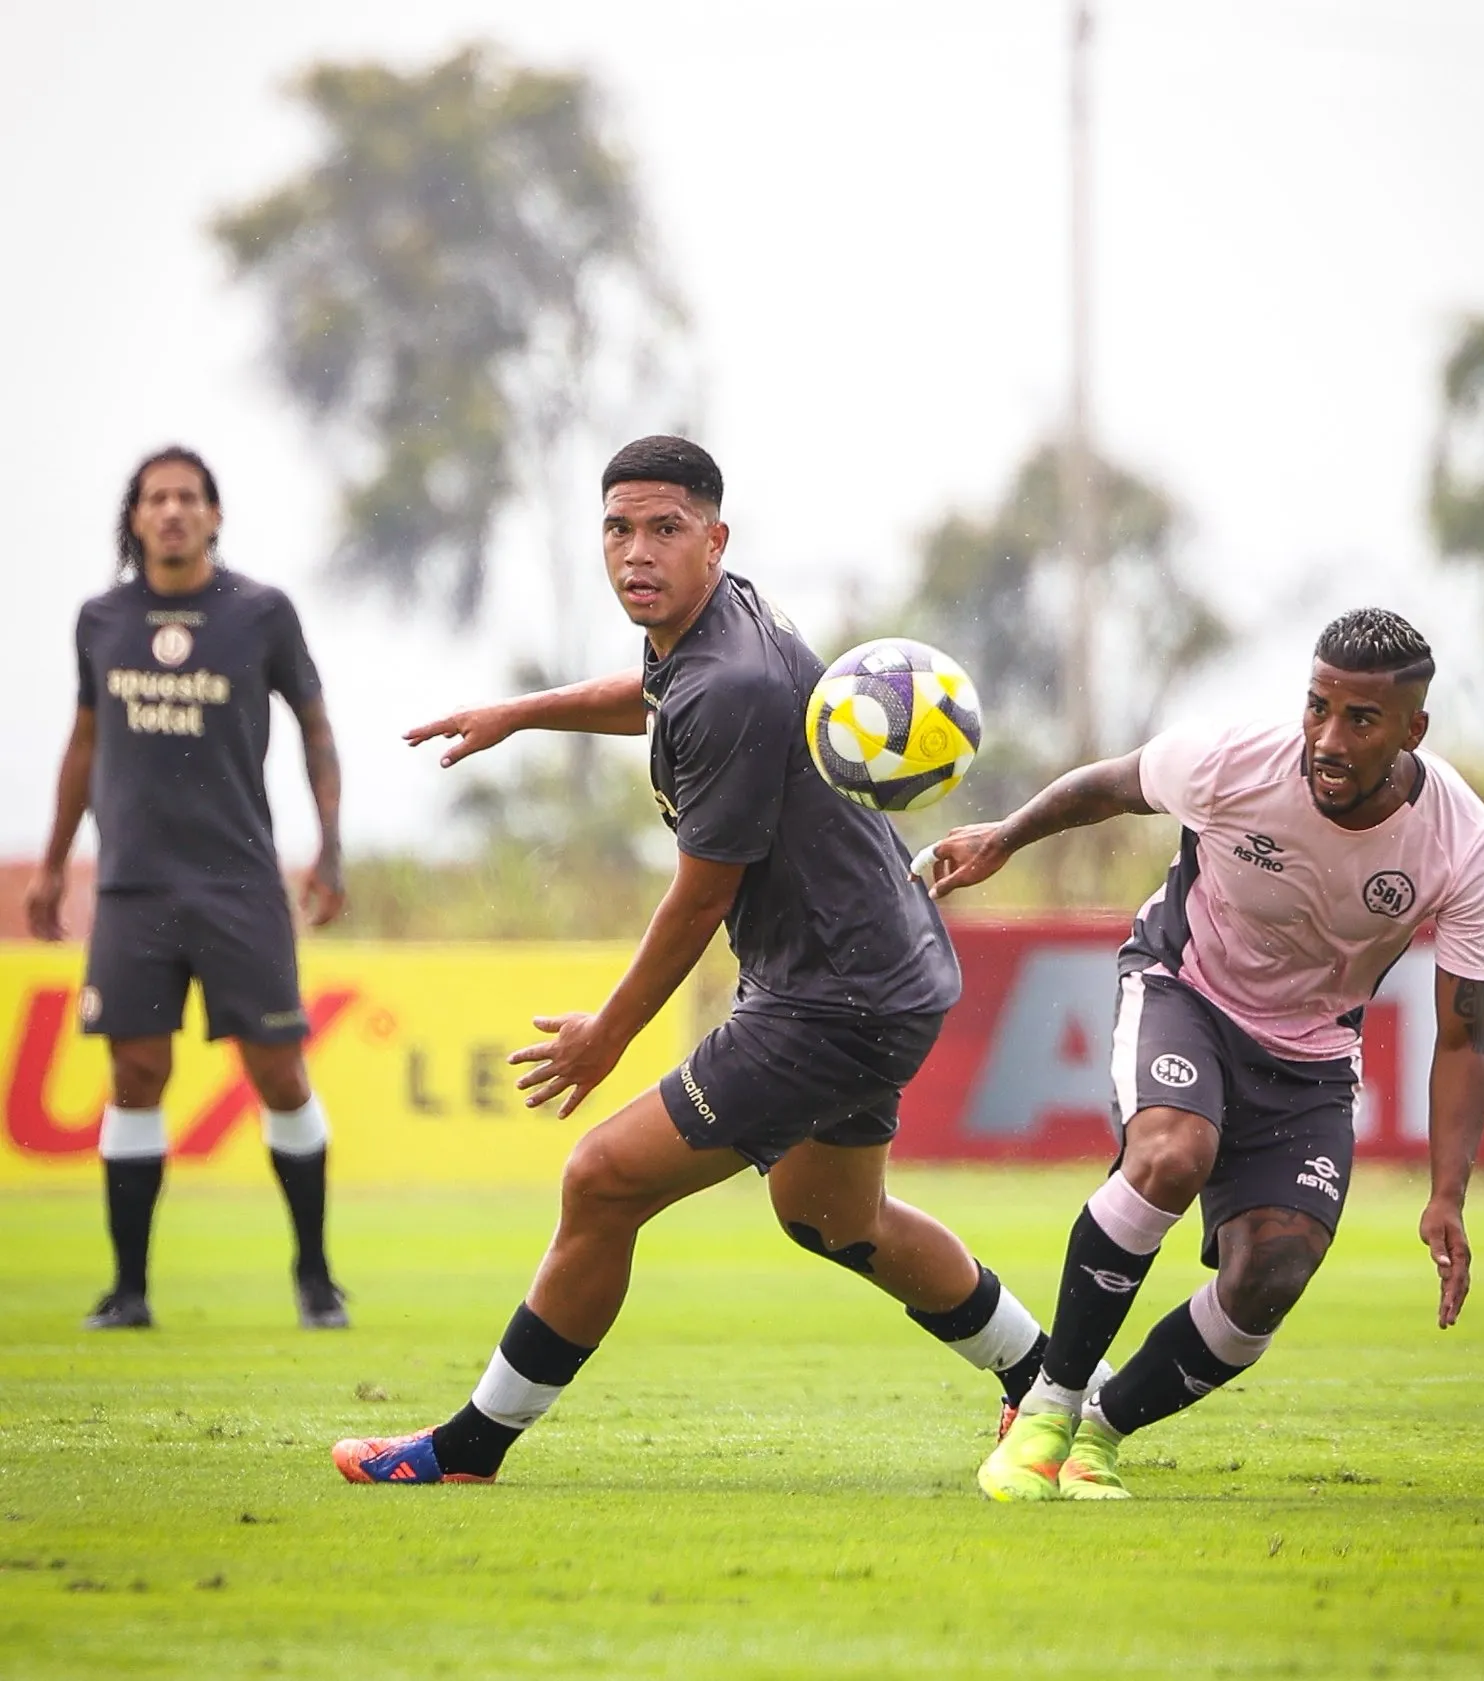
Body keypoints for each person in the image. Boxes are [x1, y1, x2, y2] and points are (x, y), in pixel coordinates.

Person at [333, 434, 1045, 1485]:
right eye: (618, 528)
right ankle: (1053, 1380)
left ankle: (467, 1449)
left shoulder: (736, 682)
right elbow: (658, 694)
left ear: (714, 538)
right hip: (882, 975)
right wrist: (522, 713)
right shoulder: (718, 624)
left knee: (603, 1178)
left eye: (664, 529)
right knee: (834, 1216)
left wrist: (606, 1035)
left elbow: (701, 893)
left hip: (831, 998)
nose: (637, 551)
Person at [923, 609, 1484, 1501]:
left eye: (1360, 720)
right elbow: (1112, 785)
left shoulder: (1463, 844)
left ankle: (1098, 1436)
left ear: (1412, 730)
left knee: (1274, 1270)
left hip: (1312, 1055)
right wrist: (1003, 837)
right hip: (1183, 990)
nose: (1328, 738)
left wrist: (1448, 1194)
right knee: (1172, 1154)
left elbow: (1464, 1034)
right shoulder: (1233, 760)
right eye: (1318, 707)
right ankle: (1045, 1407)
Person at [26, 447, 348, 1330]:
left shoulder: (261, 614)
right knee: (136, 1072)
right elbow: (83, 745)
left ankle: (315, 1277)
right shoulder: (102, 620)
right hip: (132, 887)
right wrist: (55, 865)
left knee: (278, 1072)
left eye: (188, 498)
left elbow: (316, 729)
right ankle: (128, 1291)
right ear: (135, 518)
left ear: (214, 515)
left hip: (239, 884)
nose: (172, 511)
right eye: (155, 498)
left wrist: (330, 847)